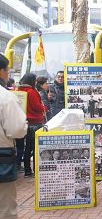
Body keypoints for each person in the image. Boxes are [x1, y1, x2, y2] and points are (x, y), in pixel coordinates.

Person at [0, 53, 27, 219]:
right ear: (2, 72)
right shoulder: (6, 97)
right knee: (5, 209)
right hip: (2, 158)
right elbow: (17, 130)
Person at [18, 73, 47, 177]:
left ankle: (27, 170)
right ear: (31, 81)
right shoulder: (31, 92)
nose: (35, 82)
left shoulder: (19, 91)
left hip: (25, 122)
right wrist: (44, 108)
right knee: (35, 148)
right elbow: (37, 107)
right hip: (35, 122)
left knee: (28, 148)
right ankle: (35, 171)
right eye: (34, 80)